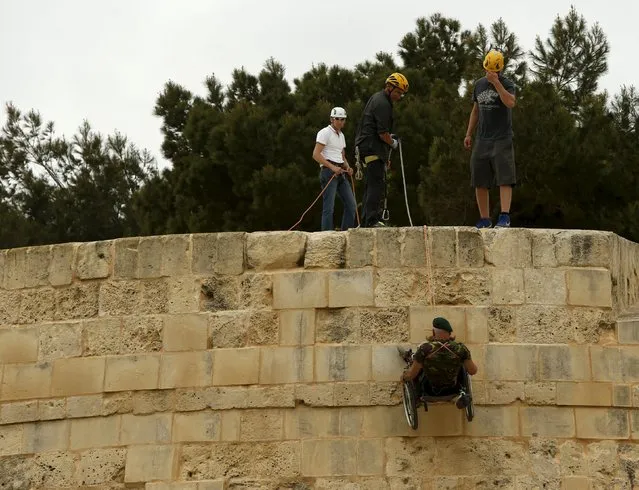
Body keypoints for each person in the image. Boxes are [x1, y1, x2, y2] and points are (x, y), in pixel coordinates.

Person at [464, 48, 517, 229]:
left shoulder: (508, 84)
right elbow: (475, 110)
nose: (489, 73)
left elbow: (511, 102)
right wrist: (468, 133)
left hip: (502, 138)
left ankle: (504, 216)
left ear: (500, 70)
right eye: (487, 69)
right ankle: (485, 218)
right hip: (482, 138)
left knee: (504, 177)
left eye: (493, 71)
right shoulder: (478, 84)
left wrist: (497, 84)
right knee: (479, 178)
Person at [354, 73, 408, 228]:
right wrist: (393, 143)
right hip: (372, 148)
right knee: (376, 184)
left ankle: (366, 220)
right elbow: (382, 133)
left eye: (401, 93)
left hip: (369, 147)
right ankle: (371, 220)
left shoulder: (378, 99)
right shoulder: (383, 104)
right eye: (398, 92)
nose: (399, 96)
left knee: (371, 184)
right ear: (389, 87)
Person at [401, 317, 478, 409]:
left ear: (433, 332)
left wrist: (404, 377)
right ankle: (461, 395)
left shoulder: (425, 349)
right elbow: (473, 371)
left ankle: (417, 398)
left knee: (418, 367)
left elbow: (411, 375)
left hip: (429, 391)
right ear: (449, 333)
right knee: (462, 365)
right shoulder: (460, 349)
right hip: (454, 390)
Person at [312, 107, 357, 231]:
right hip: (328, 172)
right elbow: (316, 154)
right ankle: (326, 235)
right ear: (332, 119)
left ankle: (345, 232)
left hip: (340, 172)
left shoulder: (341, 135)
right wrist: (332, 167)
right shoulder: (325, 132)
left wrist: (348, 167)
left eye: (343, 120)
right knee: (329, 207)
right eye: (339, 119)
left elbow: (341, 155)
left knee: (351, 205)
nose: (342, 122)